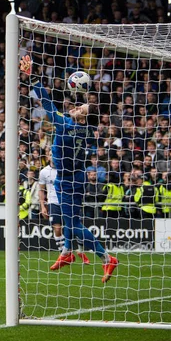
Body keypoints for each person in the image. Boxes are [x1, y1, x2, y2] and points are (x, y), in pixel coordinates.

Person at [20, 55, 117, 283]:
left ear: (82, 116)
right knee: (70, 219)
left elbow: (46, 103)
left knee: (72, 224)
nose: (75, 107)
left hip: (67, 179)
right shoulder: (87, 129)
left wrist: (32, 76)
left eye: (80, 107)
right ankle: (66, 253)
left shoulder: (66, 124)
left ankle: (105, 257)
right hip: (77, 176)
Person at [39, 158, 89, 267]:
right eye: (51, 155)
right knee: (57, 228)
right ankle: (65, 254)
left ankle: (80, 251)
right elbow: (41, 190)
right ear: (48, 156)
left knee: (73, 227)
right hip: (53, 202)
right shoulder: (44, 172)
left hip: (67, 201)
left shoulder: (65, 169)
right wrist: (43, 206)